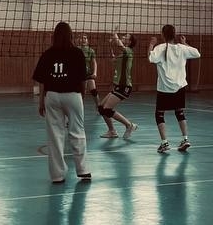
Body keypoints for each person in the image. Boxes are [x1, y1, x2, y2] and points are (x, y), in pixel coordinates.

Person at [32, 21, 95, 184]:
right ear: (70, 36)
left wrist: (41, 101)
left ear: (54, 36)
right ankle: (83, 170)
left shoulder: (47, 54)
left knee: (55, 136)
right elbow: (83, 79)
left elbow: (42, 81)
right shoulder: (77, 53)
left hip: (52, 96)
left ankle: (57, 175)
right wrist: (82, 96)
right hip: (73, 95)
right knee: (77, 132)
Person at [148, 25, 200, 153]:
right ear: (174, 34)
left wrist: (151, 44)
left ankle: (164, 143)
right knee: (179, 112)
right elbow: (197, 53)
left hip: (164, 88)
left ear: (163, 35)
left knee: (159, 114)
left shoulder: (160, 48)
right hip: (179, 87)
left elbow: (150, 58)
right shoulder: (182, 48)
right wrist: (185, 43)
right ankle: (185, 139)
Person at [97, 32, 139, 140]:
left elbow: (120, 46)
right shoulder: (122, 55)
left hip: (125, 86)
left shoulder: (129, 51)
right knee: (101, 108)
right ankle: (112, 131)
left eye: (126, 37)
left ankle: (129, 125)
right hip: (118, 86)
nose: (123, 37)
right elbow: (114, 60)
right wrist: (111, 50)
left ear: (129, 42)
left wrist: (115, 35)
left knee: (107, 109)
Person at [78, 33, 101, 116]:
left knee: (94, 91)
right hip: (79, 74)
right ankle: (79, 108)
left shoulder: (90, 50)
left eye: (85, 38)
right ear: (78, 40)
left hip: (88, 73)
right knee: (82, 92)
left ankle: (99, 107)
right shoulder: (76, 49)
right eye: (81, 38)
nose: (83, 40)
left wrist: (95, 72)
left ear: (87, 40)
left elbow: (94, 62)